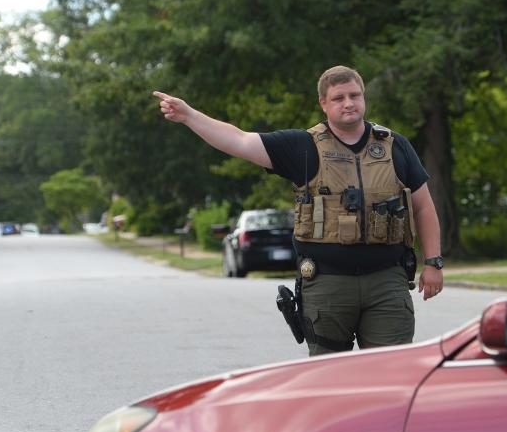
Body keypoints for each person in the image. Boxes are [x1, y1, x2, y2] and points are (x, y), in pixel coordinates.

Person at [153, 65, 444, 356]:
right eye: (338, 97)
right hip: (327, 284)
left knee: (390, 373)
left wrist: (433, 263)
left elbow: (423, 207)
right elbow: (240, 140)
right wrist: (190, 116)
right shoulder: (302, 146)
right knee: (328, 377)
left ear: (363, 97)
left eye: (354, 95)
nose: (348, 103)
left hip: (386, 282)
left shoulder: (395, 146)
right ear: (323, 104)